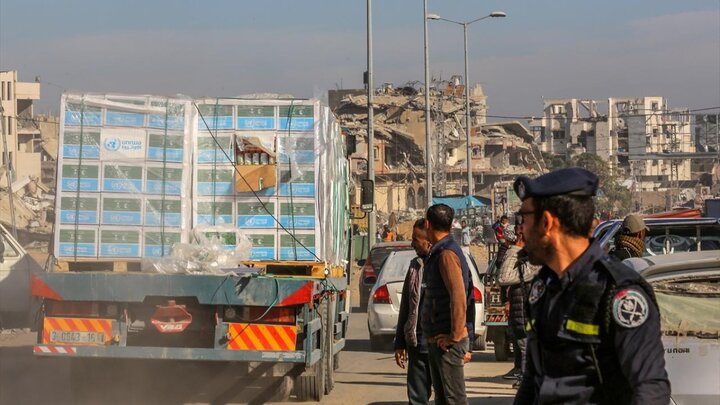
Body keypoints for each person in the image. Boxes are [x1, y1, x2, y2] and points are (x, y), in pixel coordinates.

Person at [512, 167, 670, 404]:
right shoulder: (542, 287)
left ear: (546, 223)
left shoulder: (619, 294)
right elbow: (533, 379)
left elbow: (650, 388)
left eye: (523, 218)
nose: (521, 230)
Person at [421, 204, 474, 405]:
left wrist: (455, 334)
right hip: (439, 338)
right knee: (443, 399)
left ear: (428, 224)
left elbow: (458, 296)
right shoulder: (440, 251)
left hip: (448, 342)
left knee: (454, 399)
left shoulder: (446, 254)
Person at [497, 223, 541, 389]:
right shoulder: (525, 256)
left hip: (525, 310)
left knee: (525, 347)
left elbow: (504, 277)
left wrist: (514, 251)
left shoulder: (534, 258)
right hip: (520, 309)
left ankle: (526, 380)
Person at [394, 219, 433, 404]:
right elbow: (406, 307)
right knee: (417, 399)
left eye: (416, 240)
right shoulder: (414, 266)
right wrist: (400, 343)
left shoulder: (445, 262)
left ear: (429, 241)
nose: (412, 244)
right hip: (417, 344)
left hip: (440, 346)